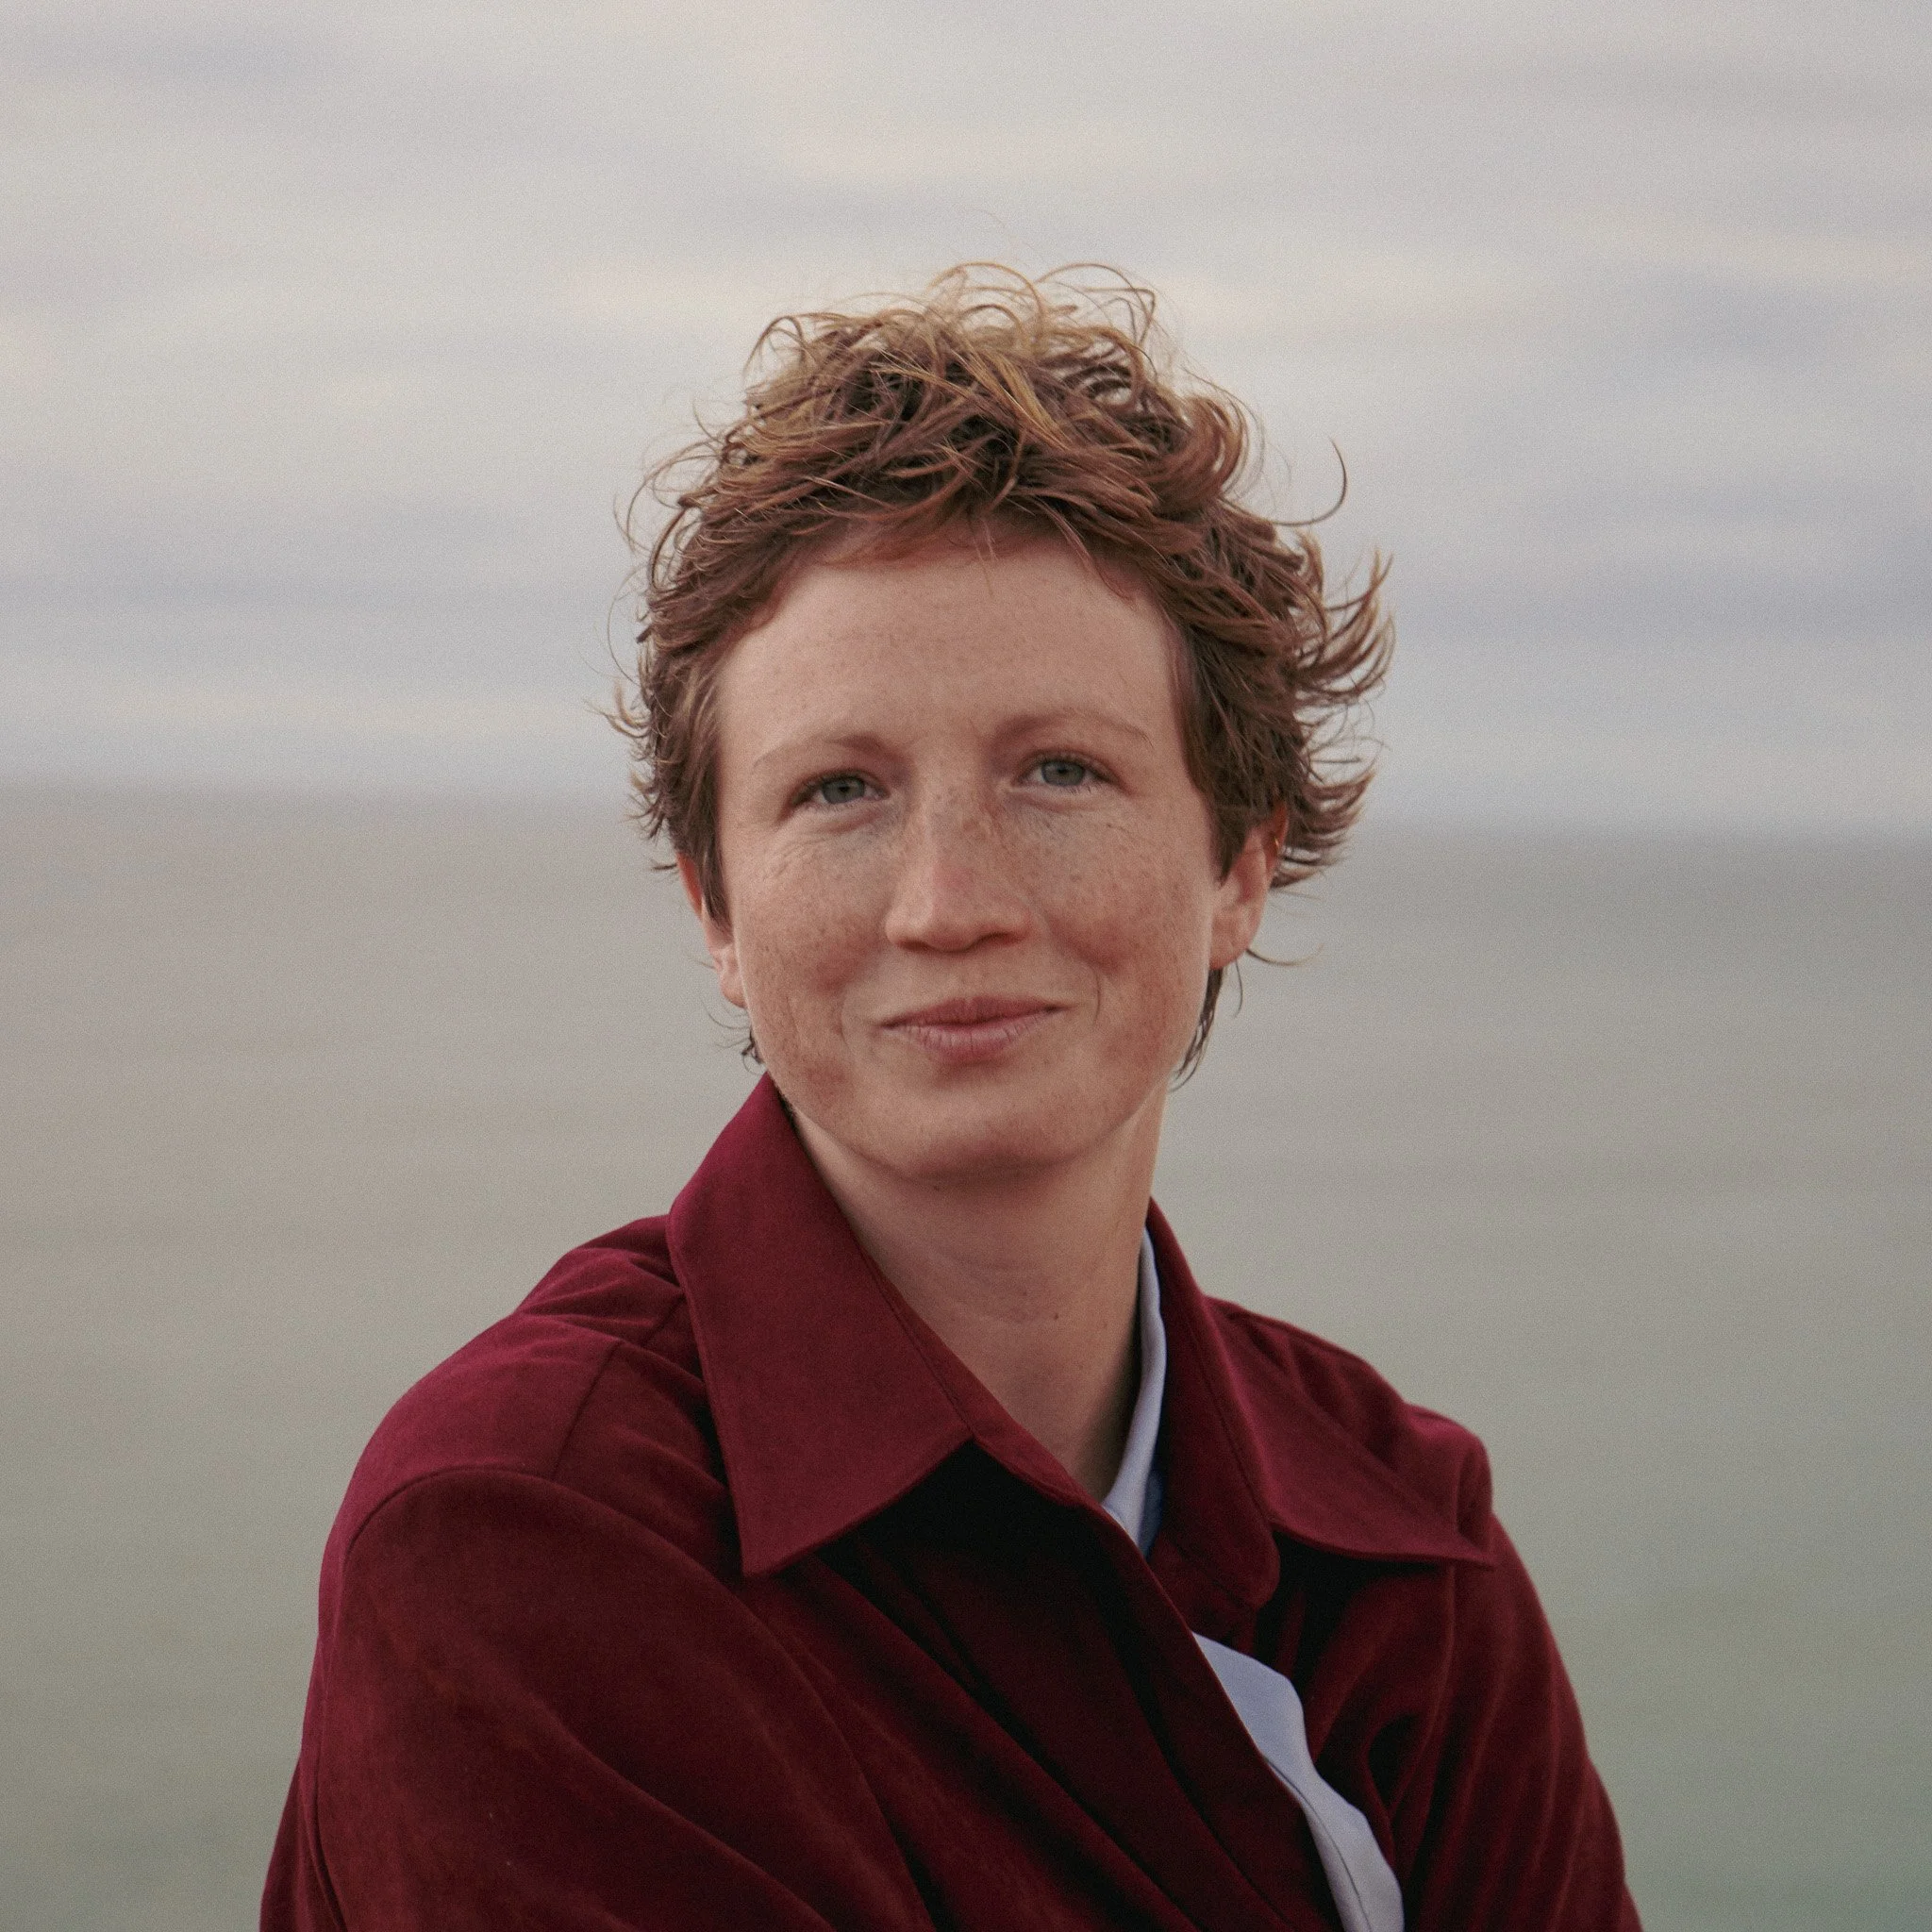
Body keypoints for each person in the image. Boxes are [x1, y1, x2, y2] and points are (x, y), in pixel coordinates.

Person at [263, 266, 1639, 1930]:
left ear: (1241, 865)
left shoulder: (1402, 1541)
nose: (946, 901)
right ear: (714, 907)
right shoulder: (522, 1534)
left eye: (1060, 769)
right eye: (839, 791)